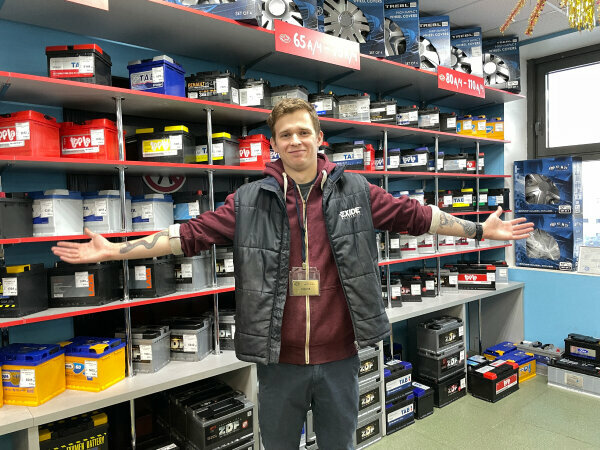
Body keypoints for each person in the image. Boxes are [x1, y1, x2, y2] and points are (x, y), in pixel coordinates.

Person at [52, 98, 533, 450]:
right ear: (274, 144)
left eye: (303, 132)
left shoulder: (357, 192)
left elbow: (418, 216)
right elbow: (188, 236)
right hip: (277, 362)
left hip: (340, 357)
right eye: (285, 135)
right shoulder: (248, 201)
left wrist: (478, 229)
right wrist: (113, 251)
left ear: (319, 138)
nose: (295, 141)